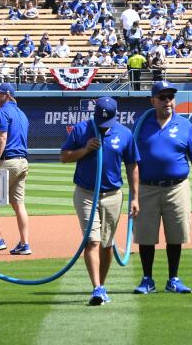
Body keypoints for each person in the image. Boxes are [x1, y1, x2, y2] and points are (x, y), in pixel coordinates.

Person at [60, 96, 140, 305]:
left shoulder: (125, 133)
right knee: (92, 240)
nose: (102, 127)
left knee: (106, 244)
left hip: (113, 195)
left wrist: (135, 197)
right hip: (86, 193)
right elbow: (64, 156)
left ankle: (101, 286)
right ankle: (96, 287)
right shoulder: (81, 129)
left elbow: (132, 164)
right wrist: (85, 149)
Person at [133, 80, 192, 294]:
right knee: (146, 235)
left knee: (176, 234)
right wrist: (134, 192)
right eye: (163, 97)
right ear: (153, 100)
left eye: (171, 97)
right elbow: (132, 160)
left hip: (177, 187)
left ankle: (173, 278)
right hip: (147, 187)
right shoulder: (141, 124)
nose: (168, 101)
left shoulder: (184, 125)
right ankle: (148, 279)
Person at [0, 83, 32, 256]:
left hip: (8, 161)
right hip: (23, 162)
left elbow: (2, 138)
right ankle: (24, 244)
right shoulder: (22, 114)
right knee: (18, 204)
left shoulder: (2, 111)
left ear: (7, 95)